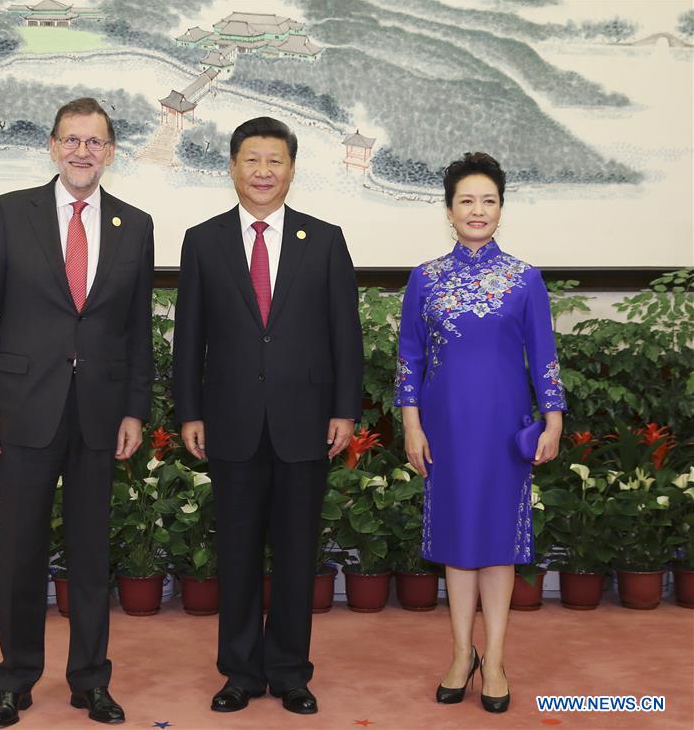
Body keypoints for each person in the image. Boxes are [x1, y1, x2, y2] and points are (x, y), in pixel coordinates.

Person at [0, 97, 154, 727]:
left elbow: (135, 331)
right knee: (20, 552)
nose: (82, 151)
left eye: (94, 141)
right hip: (22, 409)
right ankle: (14, 682)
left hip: (100, 413)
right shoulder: (9, 213)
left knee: (92, 554)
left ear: (110, 152)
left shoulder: (135, 223)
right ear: (51, 145)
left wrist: (134, 410)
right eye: (71, 140)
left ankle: (89, 681)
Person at [173, 116, 364, 716]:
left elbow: (346, 337)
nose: (263, 171)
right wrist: (190, 412)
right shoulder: (202, 241)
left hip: (306, 421)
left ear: (291, 168)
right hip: (229, 420)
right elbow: (189, 338)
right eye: (251, 160)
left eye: (274, 160)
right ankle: (240, 671)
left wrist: (344, 410)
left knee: (296, 550)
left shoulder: (325, 239)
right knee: (235, 551)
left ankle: (289, 671)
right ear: (232, 167)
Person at [394, 152, 566, 713]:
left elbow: (544, 355)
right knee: (456, 543)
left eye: (488, 200)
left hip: (503, 430)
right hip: (444, 431)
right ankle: (458, 654)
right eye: (466, 200)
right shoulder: (425, 278)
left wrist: (554, 418)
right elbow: (409, 360)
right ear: (448, 210)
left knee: (497, 547)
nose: (477, 210)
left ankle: (493, 659)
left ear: (501, 209)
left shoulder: (524, 278)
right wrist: (411, 426)